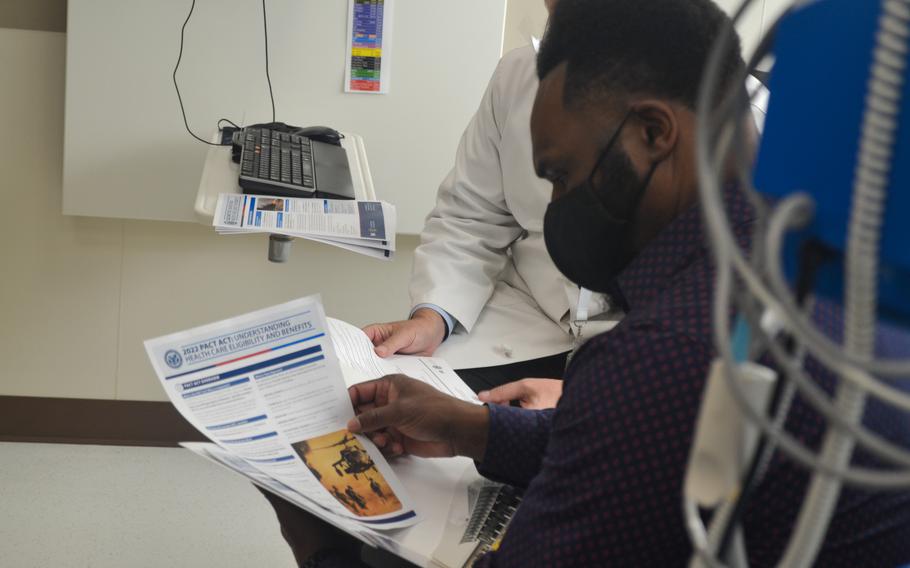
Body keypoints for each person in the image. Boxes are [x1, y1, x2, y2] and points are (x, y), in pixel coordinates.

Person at [264, 0, 910, 565]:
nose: (557, 205)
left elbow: (652, 414)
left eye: (563, 176)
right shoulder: (810, 253)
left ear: (655, 132)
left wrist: (318, 545)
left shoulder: (664, 352)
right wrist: (474, 429)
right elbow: (662, 448)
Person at [362, 0, 616, 397]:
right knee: (382, 408)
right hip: (528, 323)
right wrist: (433, 316)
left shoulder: (733, 123)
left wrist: (583, 401)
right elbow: (470, 217)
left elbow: (718, 328)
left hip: (636, 363)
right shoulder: (519, 76)